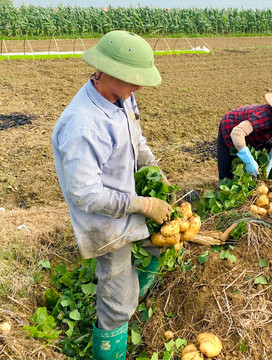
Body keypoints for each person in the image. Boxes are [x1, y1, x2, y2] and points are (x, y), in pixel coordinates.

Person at [51, 31, 174, 360]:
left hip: (129, 202)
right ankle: (113, 337)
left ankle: (138, 291)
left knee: (163, 241)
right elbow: (87, 196)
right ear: (108, 72)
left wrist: (155, 171)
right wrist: (146, 204)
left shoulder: (121, 95)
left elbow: (137, 136)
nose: (140, 87)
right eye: (135, 80)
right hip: (106, 221)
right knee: (116, 304)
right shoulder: (82, 127)